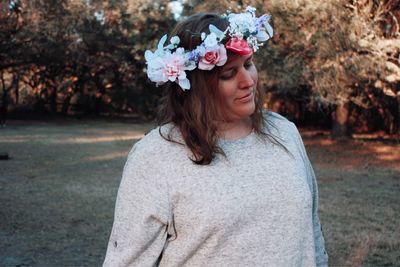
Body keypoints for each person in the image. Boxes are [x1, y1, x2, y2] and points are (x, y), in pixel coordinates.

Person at [103, 6, 328, 267]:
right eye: (228, 74)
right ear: (196, 87)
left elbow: (311, 233)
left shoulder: (284, 132)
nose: (248, 81)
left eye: (248, 64)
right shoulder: (156, 155)